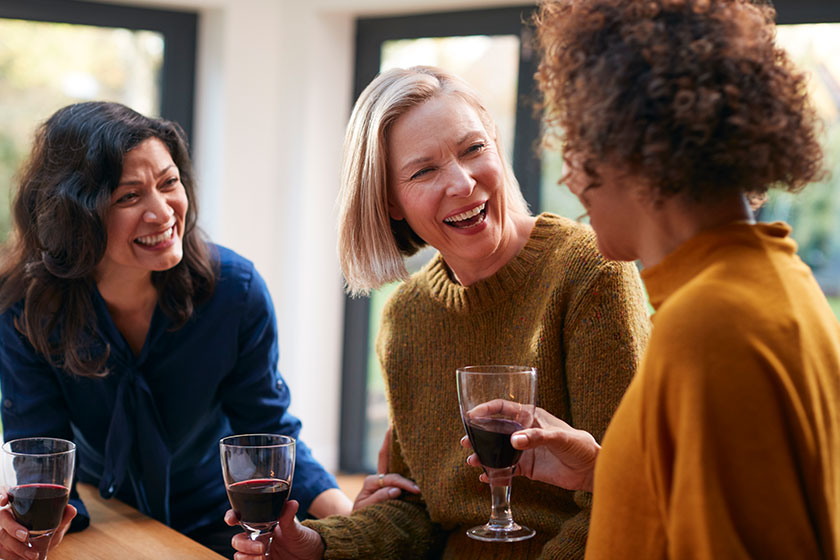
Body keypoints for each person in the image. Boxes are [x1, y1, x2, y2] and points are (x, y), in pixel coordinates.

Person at [228, 66, 651, 559]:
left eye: (473, 148)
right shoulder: (406, 317)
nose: (463, 182)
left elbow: (623, 498)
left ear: (496, 145)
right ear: (390, 201)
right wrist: (318, 544)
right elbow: (417, 511)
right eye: (424, 171)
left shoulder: (590, 272)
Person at [490, 0, 840, 558]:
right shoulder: (776, 281)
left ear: (630, 145)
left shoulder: (711, 327)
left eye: (579, 141)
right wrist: (605, 471)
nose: (569, 175)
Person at [0, 101, 398, 560]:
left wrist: (350, 521)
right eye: (128, 197)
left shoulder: (234, 290)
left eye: (169, 183)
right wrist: (22, 532)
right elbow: (38, 457)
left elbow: (267, 430)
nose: (162, 212)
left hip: (225, 517)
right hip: (105, 514)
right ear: (76, 213)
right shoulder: (26, 310)